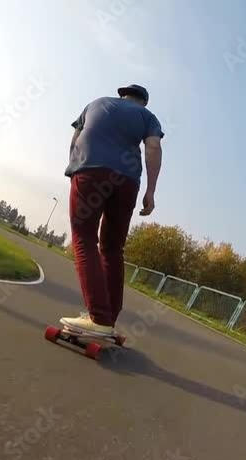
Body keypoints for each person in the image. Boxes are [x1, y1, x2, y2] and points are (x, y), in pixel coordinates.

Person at [60, 84, 164, 336]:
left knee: (84, 237)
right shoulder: (148, 116)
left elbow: (75, 139)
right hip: (127, 181)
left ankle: (99, 318)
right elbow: (153, 147)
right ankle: (107, 319)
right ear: (143, 101)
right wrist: (151, 191)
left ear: (122, 95)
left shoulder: (95, 103)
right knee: (113, 248)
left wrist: (72, 168)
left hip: (90, 170)